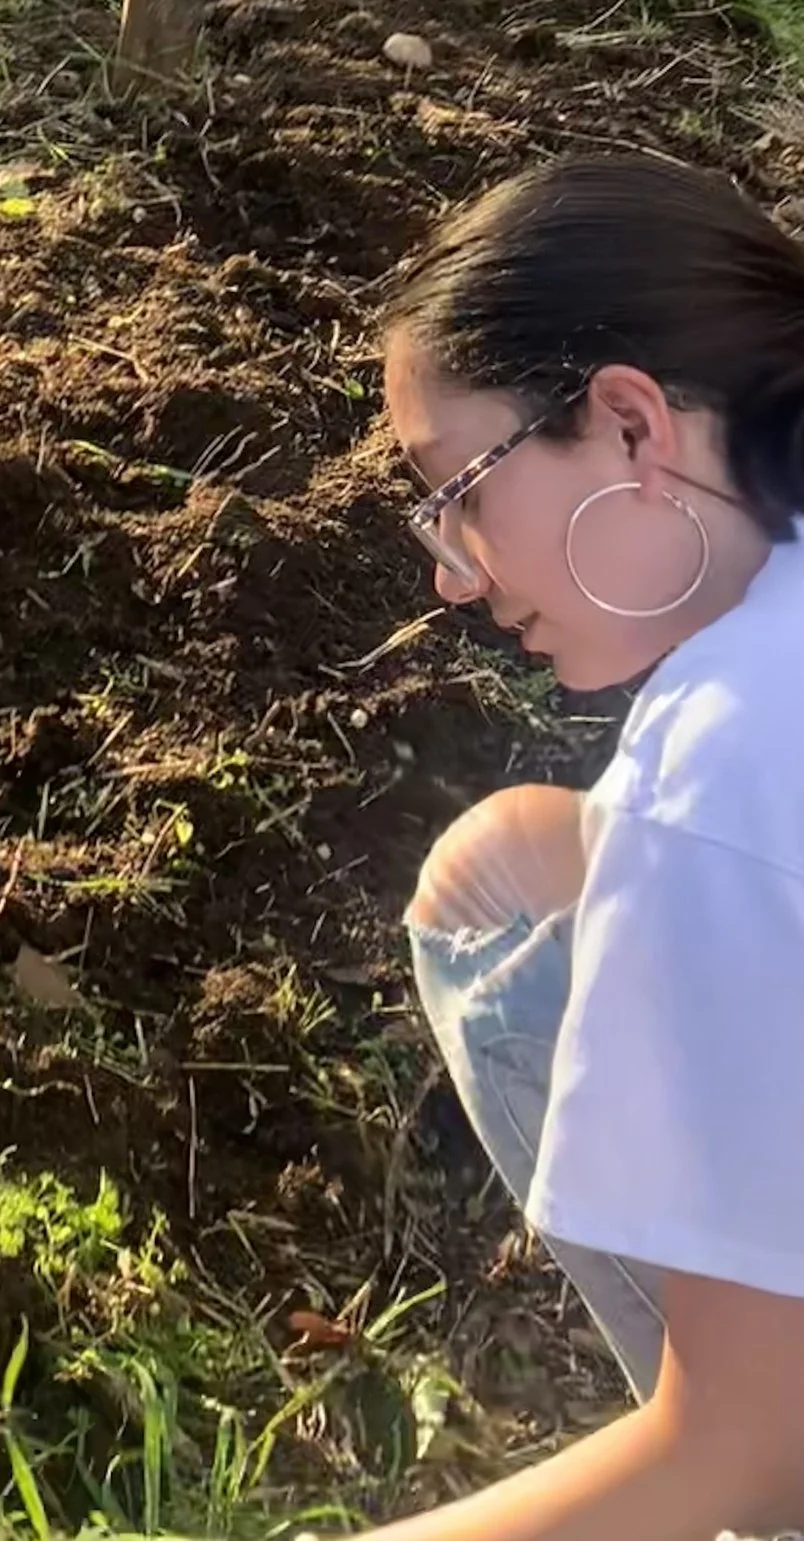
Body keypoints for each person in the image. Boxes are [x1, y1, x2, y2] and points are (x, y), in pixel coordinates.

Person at [357, 151, 804, 1541]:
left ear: (627, 426)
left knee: (499, 940)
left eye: (461, 489)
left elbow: (750, 1452)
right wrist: (614, 847)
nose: (452, 570)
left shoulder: (726, 751)